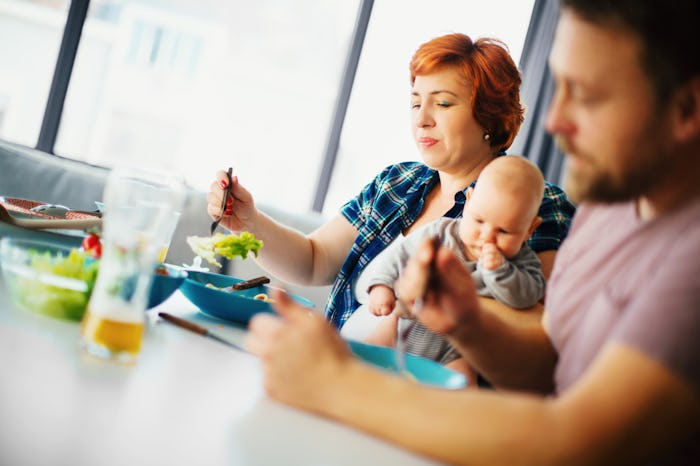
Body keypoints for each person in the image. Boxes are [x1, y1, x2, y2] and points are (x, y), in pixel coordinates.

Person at [245, 1, 700, 464]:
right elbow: (550, 371)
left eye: (586, 93)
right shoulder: (610, 212)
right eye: (559, 85)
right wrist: (468, 322)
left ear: (686, 109)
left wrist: (334, 381)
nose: (553, 121)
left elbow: (581, 437)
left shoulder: (680, 253)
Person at [207, 33, 574, 330]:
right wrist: (249, 221)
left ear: (490, 117)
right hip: (331, 376)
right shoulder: (396, 182)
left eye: (443, 104)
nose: (422, 119)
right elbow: (313, 260)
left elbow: (535, 327)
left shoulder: (538, 203)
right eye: (416, 103)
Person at [357, 155, 545, 383]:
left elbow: (525, 298)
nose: (487, 237)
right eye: (479, 221)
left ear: (529, 230)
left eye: (504, 231)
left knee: (464, 388)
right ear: (468, 202)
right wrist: (382, 286)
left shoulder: (522, 262)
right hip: (404, 324)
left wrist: (499, 270)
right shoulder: (441, 232)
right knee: (357, 364)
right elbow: (400, 255)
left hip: (455, 349)